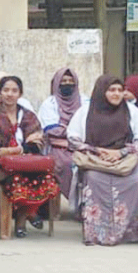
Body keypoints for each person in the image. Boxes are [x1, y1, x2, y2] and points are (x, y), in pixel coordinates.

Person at [67, 75, 138, 247]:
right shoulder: (85, 112)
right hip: (96, 160)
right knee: (93, 179)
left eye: (120, 90)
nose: (117, 94)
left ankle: (134, 232)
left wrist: (121, 152)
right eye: (111, 90)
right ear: (101, 91)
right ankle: (99, 233)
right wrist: (97, 151)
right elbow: (72, 139)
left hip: (127, 159)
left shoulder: (132, 111)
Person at [0, 75, 60, 238]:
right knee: (16, 178)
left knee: (47, 178)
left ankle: (24, 215)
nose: (10, 94)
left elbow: (36, 142)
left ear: (20, 94)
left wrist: (14, 151)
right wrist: (13, 152)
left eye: (14, 91)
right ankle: (27, 215)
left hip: (27, 160)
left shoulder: (28, 115)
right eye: (6, 90)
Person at [38, 67, 90, 199]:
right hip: (58, 147)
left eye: (71, 81)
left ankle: (85, 202)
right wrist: (74, 131)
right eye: (64, 81)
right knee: (66, 164)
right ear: (56, 83)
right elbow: (52, 131)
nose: (67, 84)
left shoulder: (85, 101)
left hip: (84, 145)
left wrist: (67, 131)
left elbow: (89, 127)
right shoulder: (49, 103)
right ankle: (72, 201)